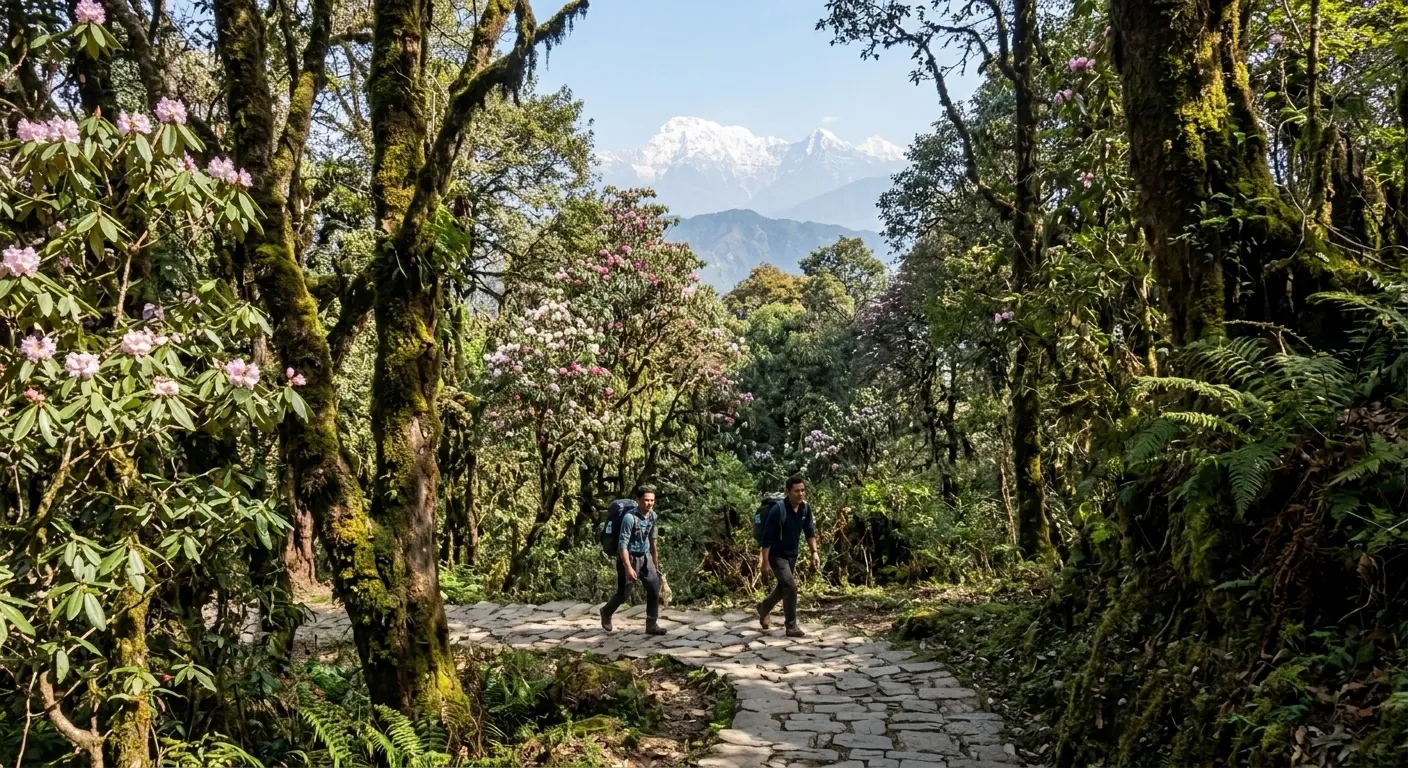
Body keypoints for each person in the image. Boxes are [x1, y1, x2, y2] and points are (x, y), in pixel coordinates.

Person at [757, 475, 819, 637]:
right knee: (790, 587)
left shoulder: (805, 509)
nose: (800, 494)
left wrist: (814, 552)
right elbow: (766, 539)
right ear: (788, 492)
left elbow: (810, 532)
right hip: (776, 556)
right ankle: (791, 626)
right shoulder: (778, 510)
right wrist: (765, 562)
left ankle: (763, 608)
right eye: (796, 491)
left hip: (792, 555)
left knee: (782, 588)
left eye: (803, 490)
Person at [600, 485, 666, 635]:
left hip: (645, 556)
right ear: (638, 500)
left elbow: (653, 540)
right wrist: (628, 567)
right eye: (646, 500)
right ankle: (606, 612)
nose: (649, 503)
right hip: (629, 557)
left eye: (652, 500)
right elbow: (622, 545)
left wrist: (655, 561)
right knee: (624, 594)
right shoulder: (629, 518)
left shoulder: (653, 516)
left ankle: (651, 624)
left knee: (654, 589)